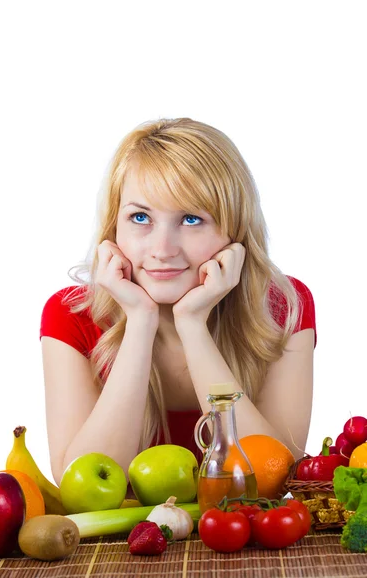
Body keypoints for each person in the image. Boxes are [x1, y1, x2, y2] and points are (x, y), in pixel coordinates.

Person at [40, 117, 316, 487]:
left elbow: (271, 479)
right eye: (140, 217)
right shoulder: (69, 315)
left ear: (236, 233)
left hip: (244, 543)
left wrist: (192, 327)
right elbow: (82, 484)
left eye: (191, 219)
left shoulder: (285, 308)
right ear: (113, 228)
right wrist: (139, 321)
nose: (162, 250)